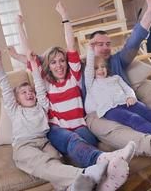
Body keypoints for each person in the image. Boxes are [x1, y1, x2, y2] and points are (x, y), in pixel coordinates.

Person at [8, 0, 151, 180]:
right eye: (98, 44)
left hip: (118, 107)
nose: (105, 47)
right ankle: (150, 149)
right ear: (88, 47)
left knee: (144, 116)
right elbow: (44, 59)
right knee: (116, 130)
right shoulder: (81, 69)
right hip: (96, 115)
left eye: (108, 43)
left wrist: (150, 9)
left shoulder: (117, 61)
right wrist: (21, 48)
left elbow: (136, 38)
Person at [13, 12, 137, 191]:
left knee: (83, 139)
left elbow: (70, 43)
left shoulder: (74, 76)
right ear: (48, 66)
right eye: (54, 62)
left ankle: (102, 180)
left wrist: (64, 16)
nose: (59, 65)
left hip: (81, 126)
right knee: (71, 139)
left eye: (62, 61)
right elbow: (29, 54)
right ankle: (107, 160)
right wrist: (19, 24)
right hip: (57, 130)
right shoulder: (45, 83)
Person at [0, 49, 110, 191]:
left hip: (44, 142)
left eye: (31, 92)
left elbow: (39, 84)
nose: (29, 94)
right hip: (24, 145)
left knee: (57, 160)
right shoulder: (15, 110)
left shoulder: (42, 106)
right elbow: (5, 88)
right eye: (23, 93)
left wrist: (34, 65)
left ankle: (72, 188)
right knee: (43, 164)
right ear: (16, 100)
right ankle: (84, 174)